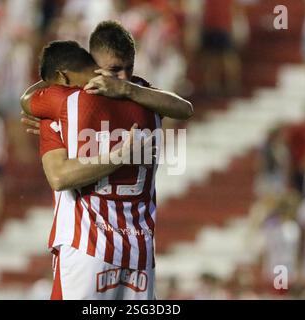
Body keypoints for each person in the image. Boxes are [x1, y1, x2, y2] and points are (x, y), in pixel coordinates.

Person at [24, 40, 160, 300]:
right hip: (139, 250)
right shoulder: (142, 95)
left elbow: (59, 176)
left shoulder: (64, 102)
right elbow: (184, 108)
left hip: (87, 245)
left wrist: (119, 156)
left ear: (62, 77)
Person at [20, 20, 193, 135]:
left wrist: (128, 90)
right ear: (93, 63)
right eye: (115, 69)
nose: (124, 76)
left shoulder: (137, 90)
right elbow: (26, 101)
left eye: (129, 68)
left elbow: (184, 109)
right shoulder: (73, 95)